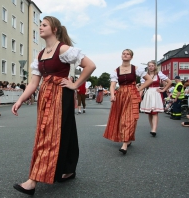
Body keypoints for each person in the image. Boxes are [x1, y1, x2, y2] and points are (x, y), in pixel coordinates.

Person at [11, 16, 96, 195]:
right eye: (40, 25)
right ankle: (69, 168)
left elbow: (90, 65)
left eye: (44, 25)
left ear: (54, 29)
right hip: (45, 96)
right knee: (65, 131)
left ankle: (32, 181)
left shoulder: (63, 49)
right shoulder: (40, 54)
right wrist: (19, 100)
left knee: (49, 134)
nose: (40, 27)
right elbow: (33, 83)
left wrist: (75, 84)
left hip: (60, 95)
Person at [103, 49, 152, 155]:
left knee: (129, 118)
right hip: (120, 95)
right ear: (121, 56)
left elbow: (149, 80)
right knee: (121, 118)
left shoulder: (136, 69)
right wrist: (112, 95)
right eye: (123, 54)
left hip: (132, 95)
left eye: (128, 54)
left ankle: (124, 144)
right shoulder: (116, 70)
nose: (125, 55)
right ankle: (128, 139)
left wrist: (139, 89)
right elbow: (112, 85)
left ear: (131, 57)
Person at [140, 61, 172, 136]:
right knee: (149, 113)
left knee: (155, 112)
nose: (151, 67)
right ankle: (152, 128)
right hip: (148, 93)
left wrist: (163, 89)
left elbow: (169, 82)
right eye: (149, 66)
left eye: (152, 66)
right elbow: (142, 87)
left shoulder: (159, 74)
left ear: (155, 67)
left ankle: (154, 129)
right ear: (147, 67)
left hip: (156, 93)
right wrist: (139, 96)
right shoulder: (145, 75)